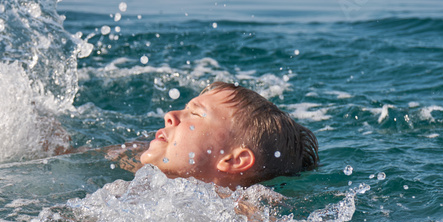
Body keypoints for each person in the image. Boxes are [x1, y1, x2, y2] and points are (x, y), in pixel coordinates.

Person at [107, 81, 319, 189]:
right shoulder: (138, 168)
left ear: (234, 160)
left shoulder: (244, 214)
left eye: (196, 113)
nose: (170, 115)